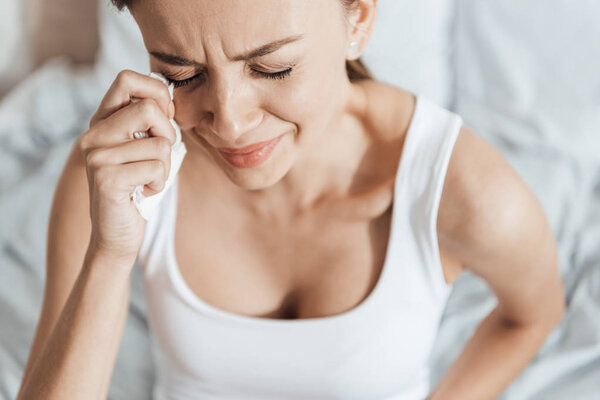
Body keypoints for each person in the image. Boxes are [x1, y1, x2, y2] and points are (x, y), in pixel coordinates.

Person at [17, 0, 566, 399]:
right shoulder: (121, 177)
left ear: (358, 20)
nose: (229, 122)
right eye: (182, 75)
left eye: (271, 67)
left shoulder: (462, 187)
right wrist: (110, 254)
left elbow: (533, 315)